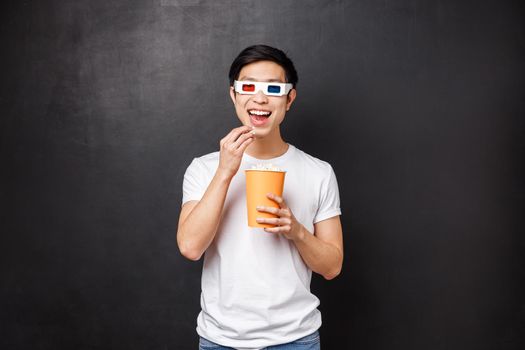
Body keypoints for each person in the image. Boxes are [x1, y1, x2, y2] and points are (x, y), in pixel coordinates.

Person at [177, 44, 343, 350]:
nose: (260, 98)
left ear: (290, 98)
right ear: (234, 95)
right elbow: (190, 247)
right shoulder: (204, 168)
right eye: (249, 86)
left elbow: (332, 266)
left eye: (274, 88)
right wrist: (226, 171)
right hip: (220, 340)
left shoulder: (319, 172)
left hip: (296, 340)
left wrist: (296, 231)